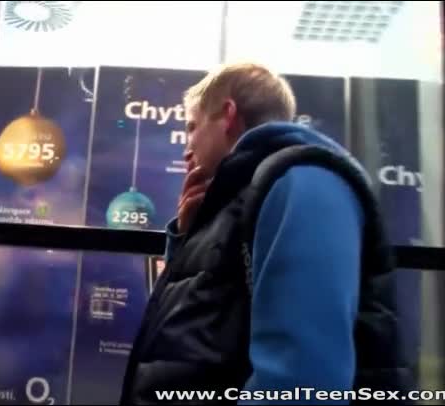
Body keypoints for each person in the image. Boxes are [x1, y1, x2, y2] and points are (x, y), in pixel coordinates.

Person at [120, 63, 412, 404]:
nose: (187, 147)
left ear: (228, 115)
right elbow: (192, 329)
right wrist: (187, 235)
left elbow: (301, 383)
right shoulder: (244, 196)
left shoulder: (303, 183)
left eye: (192, 127)